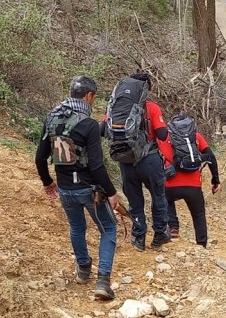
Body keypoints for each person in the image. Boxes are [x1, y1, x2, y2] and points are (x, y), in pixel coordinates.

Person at [35, 76, 118, 301]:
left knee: (76, 227)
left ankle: (83, 269)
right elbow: (97, 165)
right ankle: (103, 281)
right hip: (89, 189)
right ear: (89, 96)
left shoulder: (51, 118)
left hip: (65, 189)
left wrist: (47, 181)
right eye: (94, 98)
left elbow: (40, 157)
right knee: (109, 228)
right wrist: (111, 192)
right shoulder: (89, 124)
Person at [102, 72, 171, 251]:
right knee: (158, 197)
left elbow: (103, 130)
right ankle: (159, 234)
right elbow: (162, 134)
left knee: (135, 201)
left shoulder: (116, 108)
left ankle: (139, 237)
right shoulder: (152, 108)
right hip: (150, 161)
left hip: (126, 160)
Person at [161, 115, 221, 248]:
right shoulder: (196, 137)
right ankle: (201, 244)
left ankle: (173, 227)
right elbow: (211, 157)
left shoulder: (165, 138)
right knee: (198, 214)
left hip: (170, 185)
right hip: (193, 186)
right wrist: (215, 179)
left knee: (165, 198)